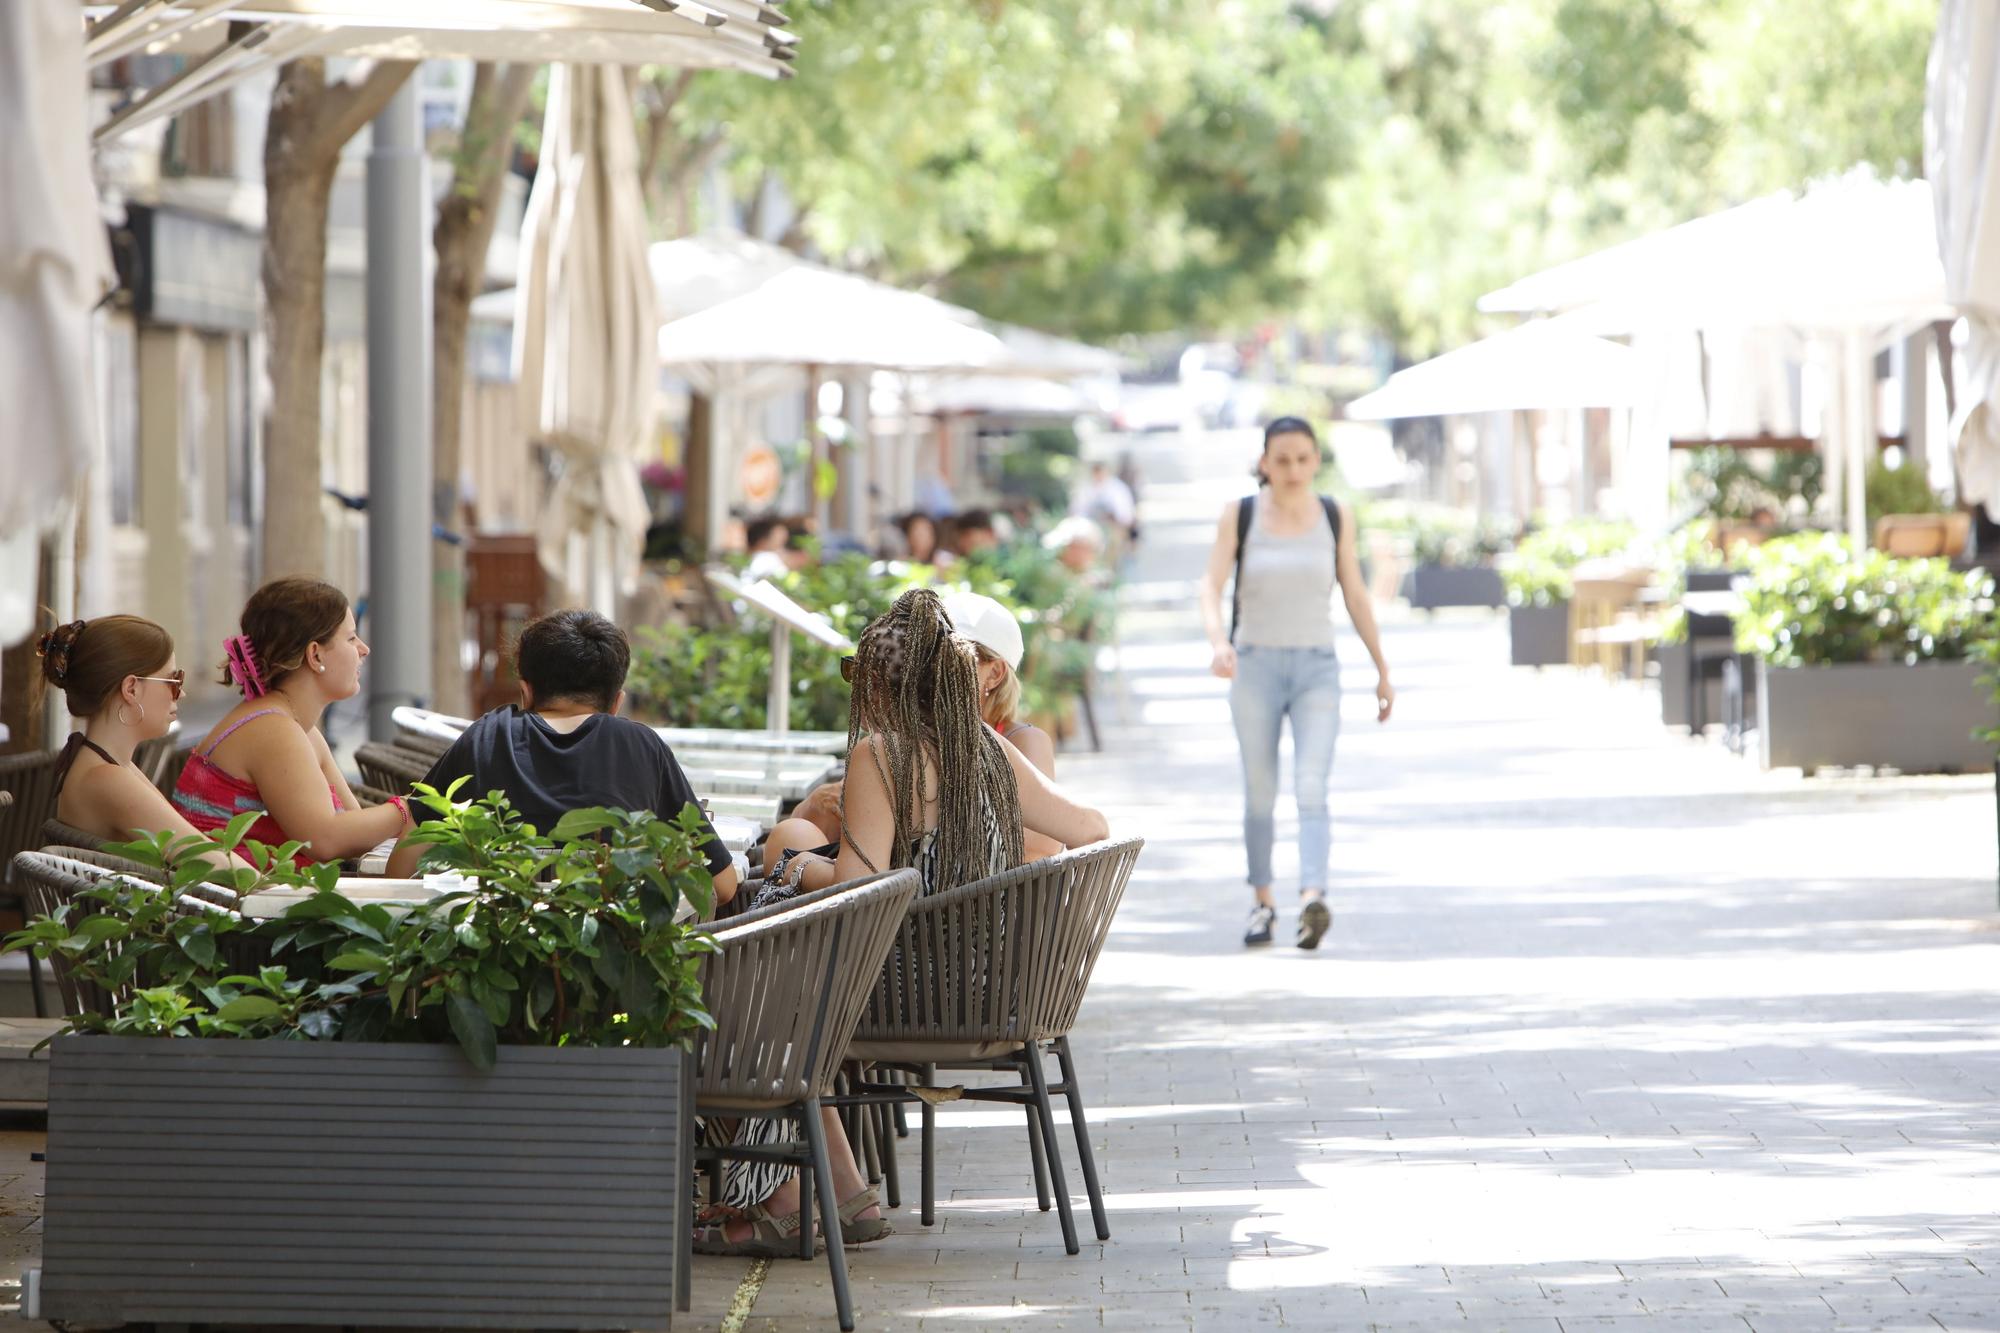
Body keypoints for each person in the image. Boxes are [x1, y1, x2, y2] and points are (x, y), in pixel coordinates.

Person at [384, 609, 741, 906]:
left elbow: (401, 869)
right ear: (616, 702)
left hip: (496, 964)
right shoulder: (641, 745)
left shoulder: (488, 735)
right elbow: (722, 886)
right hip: (616, 972)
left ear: (526, 692)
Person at [1198, 417, 1394, 951]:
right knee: (1259, 792)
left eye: (1303, 459)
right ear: (1264, 462)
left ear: (1316, 461)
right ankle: (1263, 903)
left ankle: (1312, 897)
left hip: (1316, 668)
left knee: (1312, 786)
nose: (1292, 470)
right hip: (1255, 666)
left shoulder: (1334, 514)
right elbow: (1211, 586)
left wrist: (1382, 667)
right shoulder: (1240, 514)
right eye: (1281, 459)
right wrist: (1220, 642)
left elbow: (1354, 593)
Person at [172, 578, 415, 866]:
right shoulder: (273, 730)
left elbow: (354, 828)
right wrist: (414, 807)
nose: (364, 649)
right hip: (241, 907)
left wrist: (413, 810)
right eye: (351, 638)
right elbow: (325, 841)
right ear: (315, 654)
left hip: (264, 899)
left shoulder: (297, 728)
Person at [34, 616, 234, 863]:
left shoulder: (104, 763)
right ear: (130, 689)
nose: (181, 693)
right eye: (174, 680)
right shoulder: (107, 779)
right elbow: (212, 862)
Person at [743, 516, 791, 582]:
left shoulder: (740, 557)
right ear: (762, 541)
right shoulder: (769, 559)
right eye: (779, 539)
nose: (782, 545)